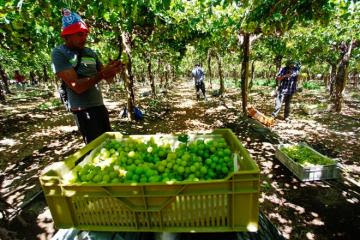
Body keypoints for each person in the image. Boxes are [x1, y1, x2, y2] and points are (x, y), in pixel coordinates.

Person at [51, 9, 123, 144]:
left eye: (85, 34)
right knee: (95, 147)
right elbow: (76, 86)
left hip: (99, 106)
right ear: (67, 36)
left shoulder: (90, 53)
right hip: (83, 110)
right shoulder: (59, 53)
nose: (83, 38)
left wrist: (113, 71)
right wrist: (102, 74)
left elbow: (108, 79)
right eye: (79, 34)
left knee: (109, 143)